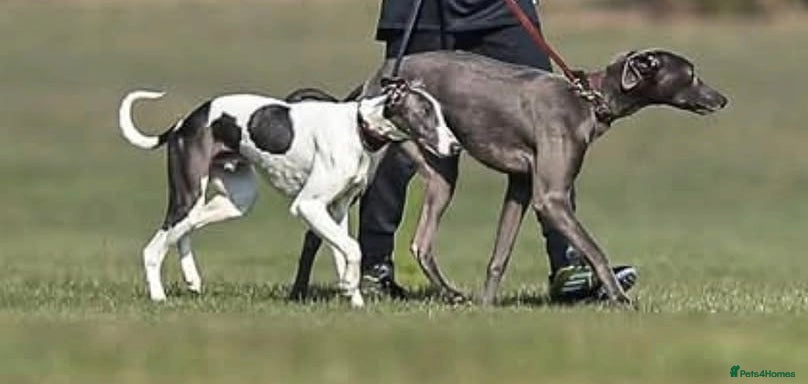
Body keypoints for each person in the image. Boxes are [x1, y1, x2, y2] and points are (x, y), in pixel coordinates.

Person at [359, 0, 637, 302]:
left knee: (556, 131)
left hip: (501, 10)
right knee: (392, 138)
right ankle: (374, 269)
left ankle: (568, 269)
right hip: (420, 9)